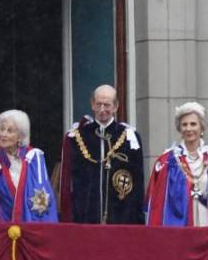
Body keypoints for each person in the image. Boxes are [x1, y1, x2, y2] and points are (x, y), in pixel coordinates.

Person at [59, 85, 146, 225]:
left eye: (107, 105)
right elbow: (69, 182)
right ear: (92, 104)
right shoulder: (77, 137)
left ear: (116, 106)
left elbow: (137, 180)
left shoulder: (130, 137)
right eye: (98, 104)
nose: (102, 109)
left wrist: (137, 218)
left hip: (120, 215)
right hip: (86, 216)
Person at [148, 101, 208, 227]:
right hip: (180, 227)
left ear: (201, 127)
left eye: (193, 124)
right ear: (179, 128)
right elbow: (158, 202)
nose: (189, 129)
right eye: (184, 125)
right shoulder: (168, 160)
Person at [0, 109, 59, 224]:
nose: (3, 134)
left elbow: (43, 193)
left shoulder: (34, 158)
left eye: (10, 131)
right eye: (2, 129)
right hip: (2, 224)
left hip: (31, 223)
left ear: (20, 137)